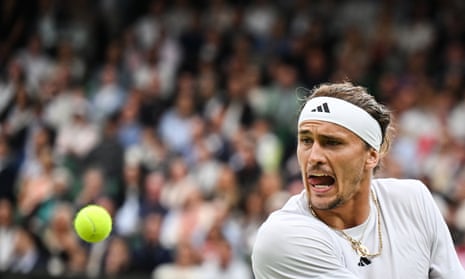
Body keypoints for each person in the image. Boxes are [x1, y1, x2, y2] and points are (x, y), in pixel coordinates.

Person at [251, 82, 465, 278]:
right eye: (306, 140)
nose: (313, 157)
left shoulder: (413, 200)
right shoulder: (281, 238)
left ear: (372, 155)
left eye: (332, 142)